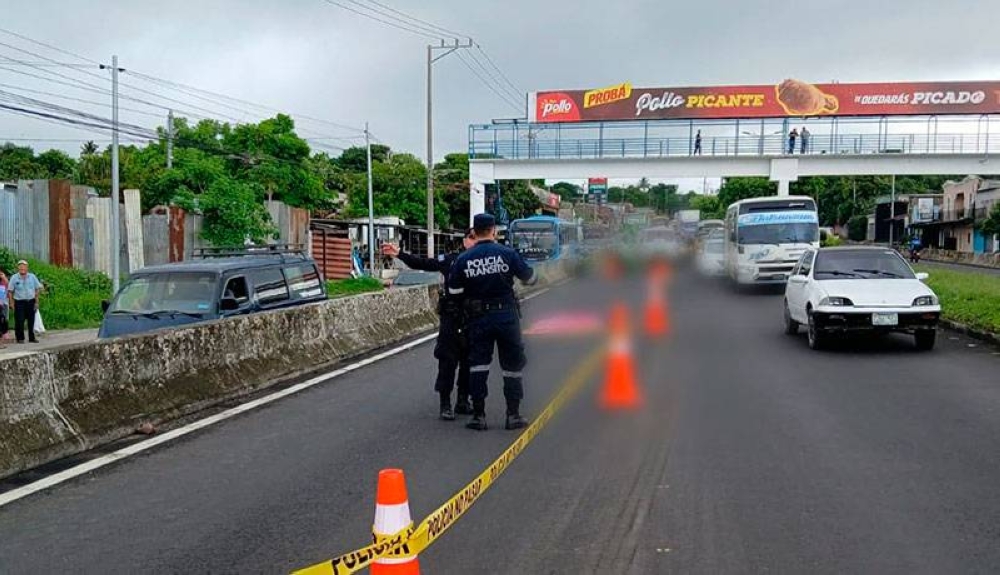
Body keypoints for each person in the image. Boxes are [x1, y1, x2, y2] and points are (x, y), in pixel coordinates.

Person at [447, 213, 536, 431]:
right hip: (507, 317)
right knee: (512, 367)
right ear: (494, 230)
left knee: (478, 366)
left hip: (478, 318)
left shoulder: (464, 259)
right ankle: (513, 414)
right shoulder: (508, 254)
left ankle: (478, 415)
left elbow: (453, 291)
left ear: (474, 232)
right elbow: (530, 278)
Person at [382, 229, 477, 421]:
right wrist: (399, 254)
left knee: (470, 362)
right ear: (465, 241)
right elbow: (423, 263)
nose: (473, 242)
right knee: (447, 361)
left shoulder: (483, 262)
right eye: (471, 237)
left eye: (477, 237)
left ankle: (462, 401)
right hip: (452, 318)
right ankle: (445, 404)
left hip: (473, 318)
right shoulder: (452, 260)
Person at [8, 260, 42, 344]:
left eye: (24, 266)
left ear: (27, 268)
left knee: (31, 320)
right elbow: (10, 291)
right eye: (20, 266)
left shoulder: (32, 277)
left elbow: (37, 289)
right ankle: (20, 338)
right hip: (19, 302)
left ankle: (32, 337)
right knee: (19, 320)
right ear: (18, 268)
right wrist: (11, 303)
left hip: (31, 301)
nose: (22, 268)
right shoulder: (14, 277)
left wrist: (37, 302)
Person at [0, 270, 9, 346]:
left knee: (4, 319)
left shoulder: (3, 280)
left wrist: (4, 278)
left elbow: (9, 286)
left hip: (3, 303)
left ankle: (4, 333)